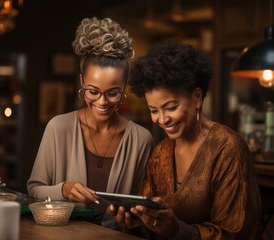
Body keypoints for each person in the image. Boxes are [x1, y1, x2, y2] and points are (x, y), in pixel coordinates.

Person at [110, 42, 262, 239]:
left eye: (171, 107)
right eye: (154, 111)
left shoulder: (228, 148)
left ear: (197, 98)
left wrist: (177, 230)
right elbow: (151, 221)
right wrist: (137, 222)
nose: (162, 120)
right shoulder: (161, 153)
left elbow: (236, 232)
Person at [27, 17, 154, 227]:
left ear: (124, 87)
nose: (102, 102)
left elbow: (142, 207)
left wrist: (135, 217)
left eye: (113, 93)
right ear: (81, 81)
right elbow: (34, 190)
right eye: (93, 91)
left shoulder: (141, 139)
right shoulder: (59, 128)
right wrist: (64, 190)